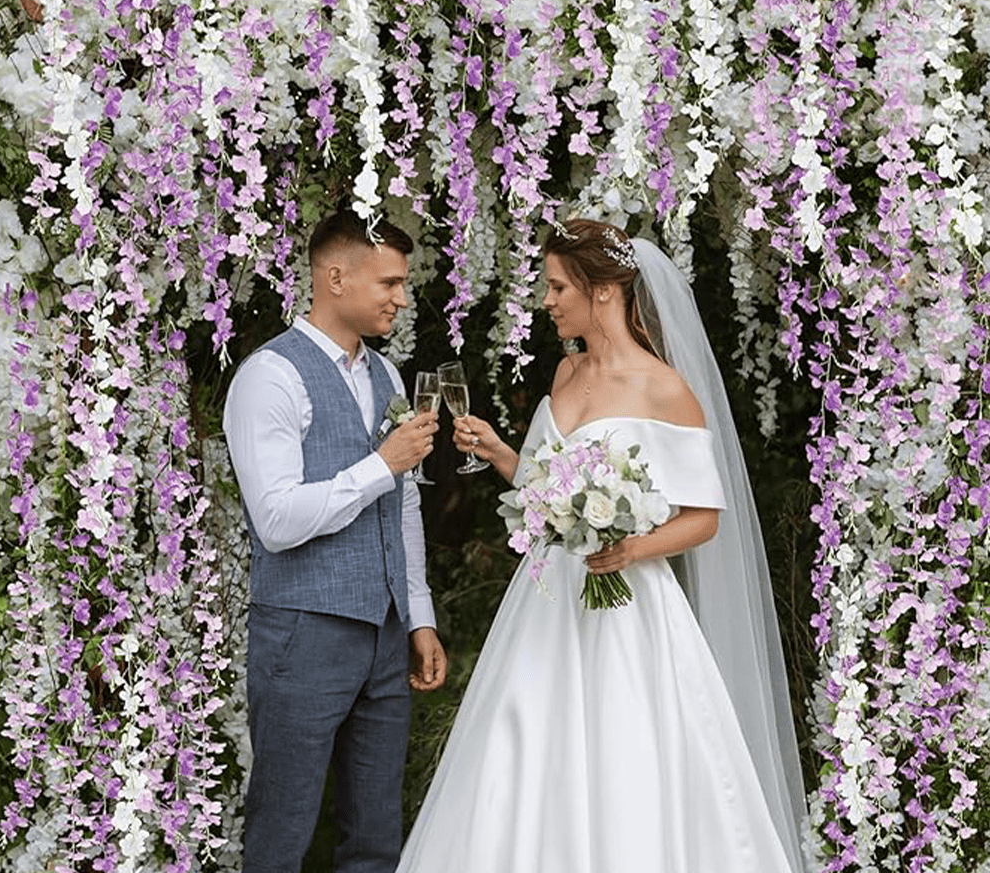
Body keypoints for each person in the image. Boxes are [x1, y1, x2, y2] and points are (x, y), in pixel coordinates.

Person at [396, 219, 807, 873]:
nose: (547, 300)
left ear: (604, 290)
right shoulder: (566, 372)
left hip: (629, 608)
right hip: (547, 600)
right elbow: (544, 489)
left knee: (629, 753)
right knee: (521, 746)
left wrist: (632, 549)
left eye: (559, 287)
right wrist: (501, 452)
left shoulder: (664, 388)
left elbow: (704, 519)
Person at [224, 210, 448, 873]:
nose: (401, 298)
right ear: (335, 278)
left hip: (386, 636)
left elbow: (404, 505)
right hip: (303, 635)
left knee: (375, 837)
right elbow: (277, 521)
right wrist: (381, 464)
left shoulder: (387, 377)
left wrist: (419, 616)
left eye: (403, 283)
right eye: (389, 283)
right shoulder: (270, 376)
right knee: (282, 831)